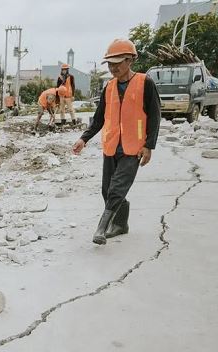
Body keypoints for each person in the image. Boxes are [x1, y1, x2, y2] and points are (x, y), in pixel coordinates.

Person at [72, 39, 161, 245]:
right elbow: (99, 117)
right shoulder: (109, 87)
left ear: (130, 60)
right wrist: (84, 139)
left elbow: (155, 116)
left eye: (118, 63)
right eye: (110, 64)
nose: (113, 68)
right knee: (107, 189)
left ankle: (101, 228)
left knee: (117, 188)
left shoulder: (145, 82)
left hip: (134, 146)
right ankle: (121, 224)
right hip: (112, 145)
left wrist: (149, 145)